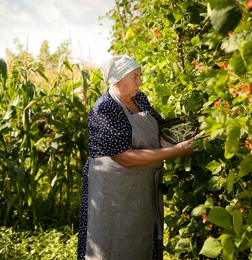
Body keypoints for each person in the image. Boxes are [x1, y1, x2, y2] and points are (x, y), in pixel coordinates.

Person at [77, 55, 192, 260]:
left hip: (140, 188)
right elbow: (125, 158)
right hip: (113, 193)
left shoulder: (139, 99)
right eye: (135, 77)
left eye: (140, 76)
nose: (141, 82)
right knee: (112, 243)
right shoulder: (105, 109)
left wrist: (190, 130)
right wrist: (176, 151)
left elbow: (159, 129)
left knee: (141, 239)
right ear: (118, 80)